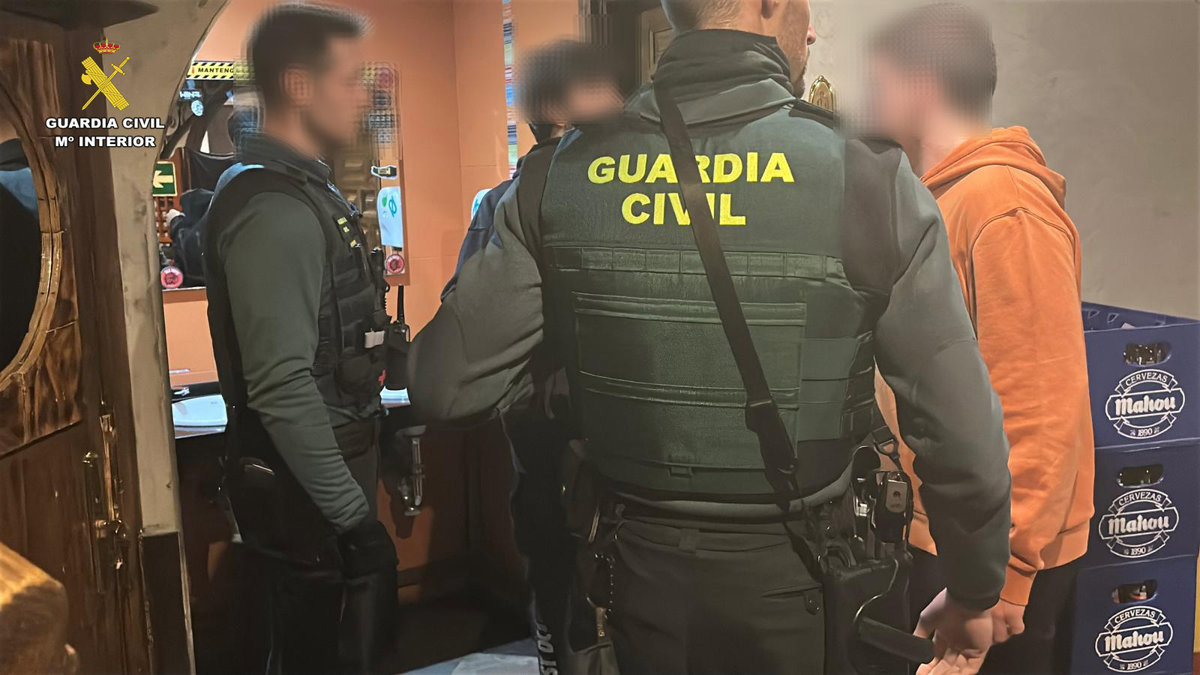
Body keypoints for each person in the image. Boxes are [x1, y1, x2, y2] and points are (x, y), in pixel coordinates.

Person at [408, 0, 1014, 672]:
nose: (812, 26)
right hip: (807, 585)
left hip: (628, 586)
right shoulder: (869, 175)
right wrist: (975, 590)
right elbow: (961, 433)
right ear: (769, 4)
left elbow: (442, 385)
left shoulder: (557, 176)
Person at [867, 4, 1094, 673]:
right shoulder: (939, 201)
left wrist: (1002, 581)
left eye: (877, 81)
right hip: (950, 536)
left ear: (922, 83)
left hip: (988, 558)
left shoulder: (1003, 205)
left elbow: (1040, 407)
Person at [201, 5, 397, 673]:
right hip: (309, 495)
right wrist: (354, 520)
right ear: (298, 86)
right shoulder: (276, 211)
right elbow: (282, 386)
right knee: (316, 649)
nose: (364, 97)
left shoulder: (305, 192)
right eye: (349, 80)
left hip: (328, 472)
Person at [441, 39, 623, 674]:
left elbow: (463, 323)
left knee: (573, 597)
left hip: (567, 446)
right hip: (565, 448)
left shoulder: (508, 203)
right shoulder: (510, 204)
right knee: (573, 609)